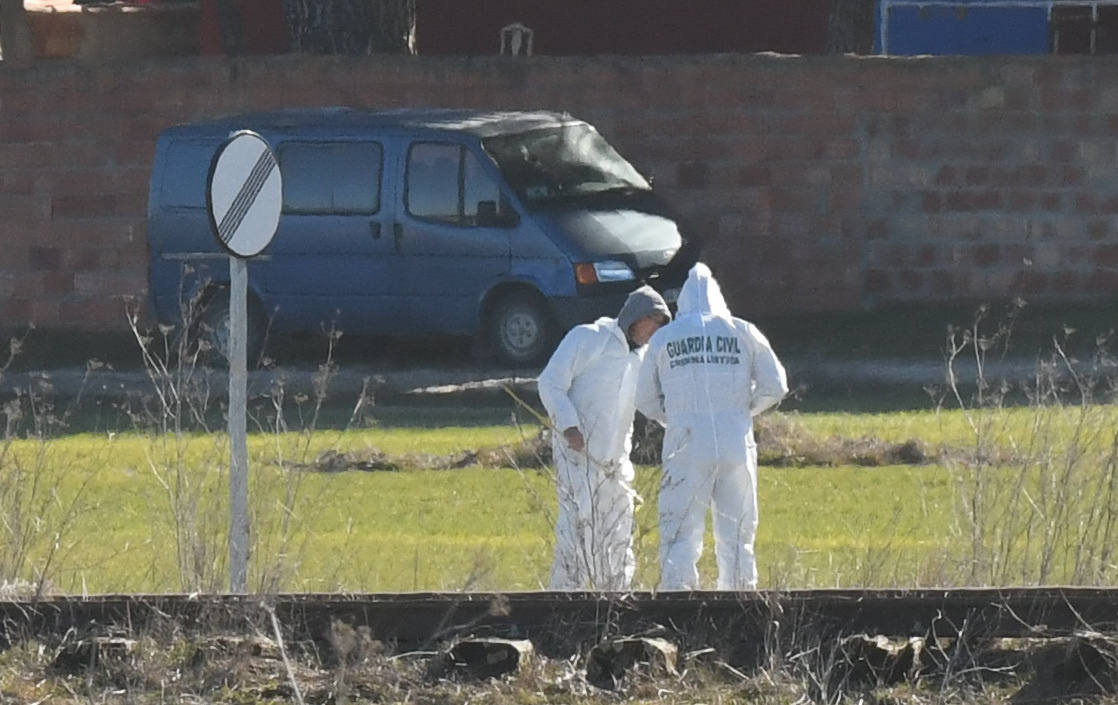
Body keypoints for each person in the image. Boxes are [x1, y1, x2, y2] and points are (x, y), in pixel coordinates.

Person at [636, 263, 787, 591]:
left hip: (685, 442)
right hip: (735, 439)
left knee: (679, 529)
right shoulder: (743, 331)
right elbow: (776, 386)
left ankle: (678, 602)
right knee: (738, 532)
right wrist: (744, 411)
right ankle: (741, 600)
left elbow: (644, 397)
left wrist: (672, 418)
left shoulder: (665, 338)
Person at [537, 285, 672, 590]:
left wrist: (678, 425)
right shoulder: (588, 337)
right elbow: (550, 383)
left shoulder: (642, 359)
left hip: (615, 462)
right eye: (654, 321)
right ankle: (563, 598)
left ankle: (615, 599)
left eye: (662, 325)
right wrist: (569, 426)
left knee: (619, 528)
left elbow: (649, 402)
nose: (656, 330)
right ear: (636, 316)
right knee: (577, 527)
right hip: (578, 457)